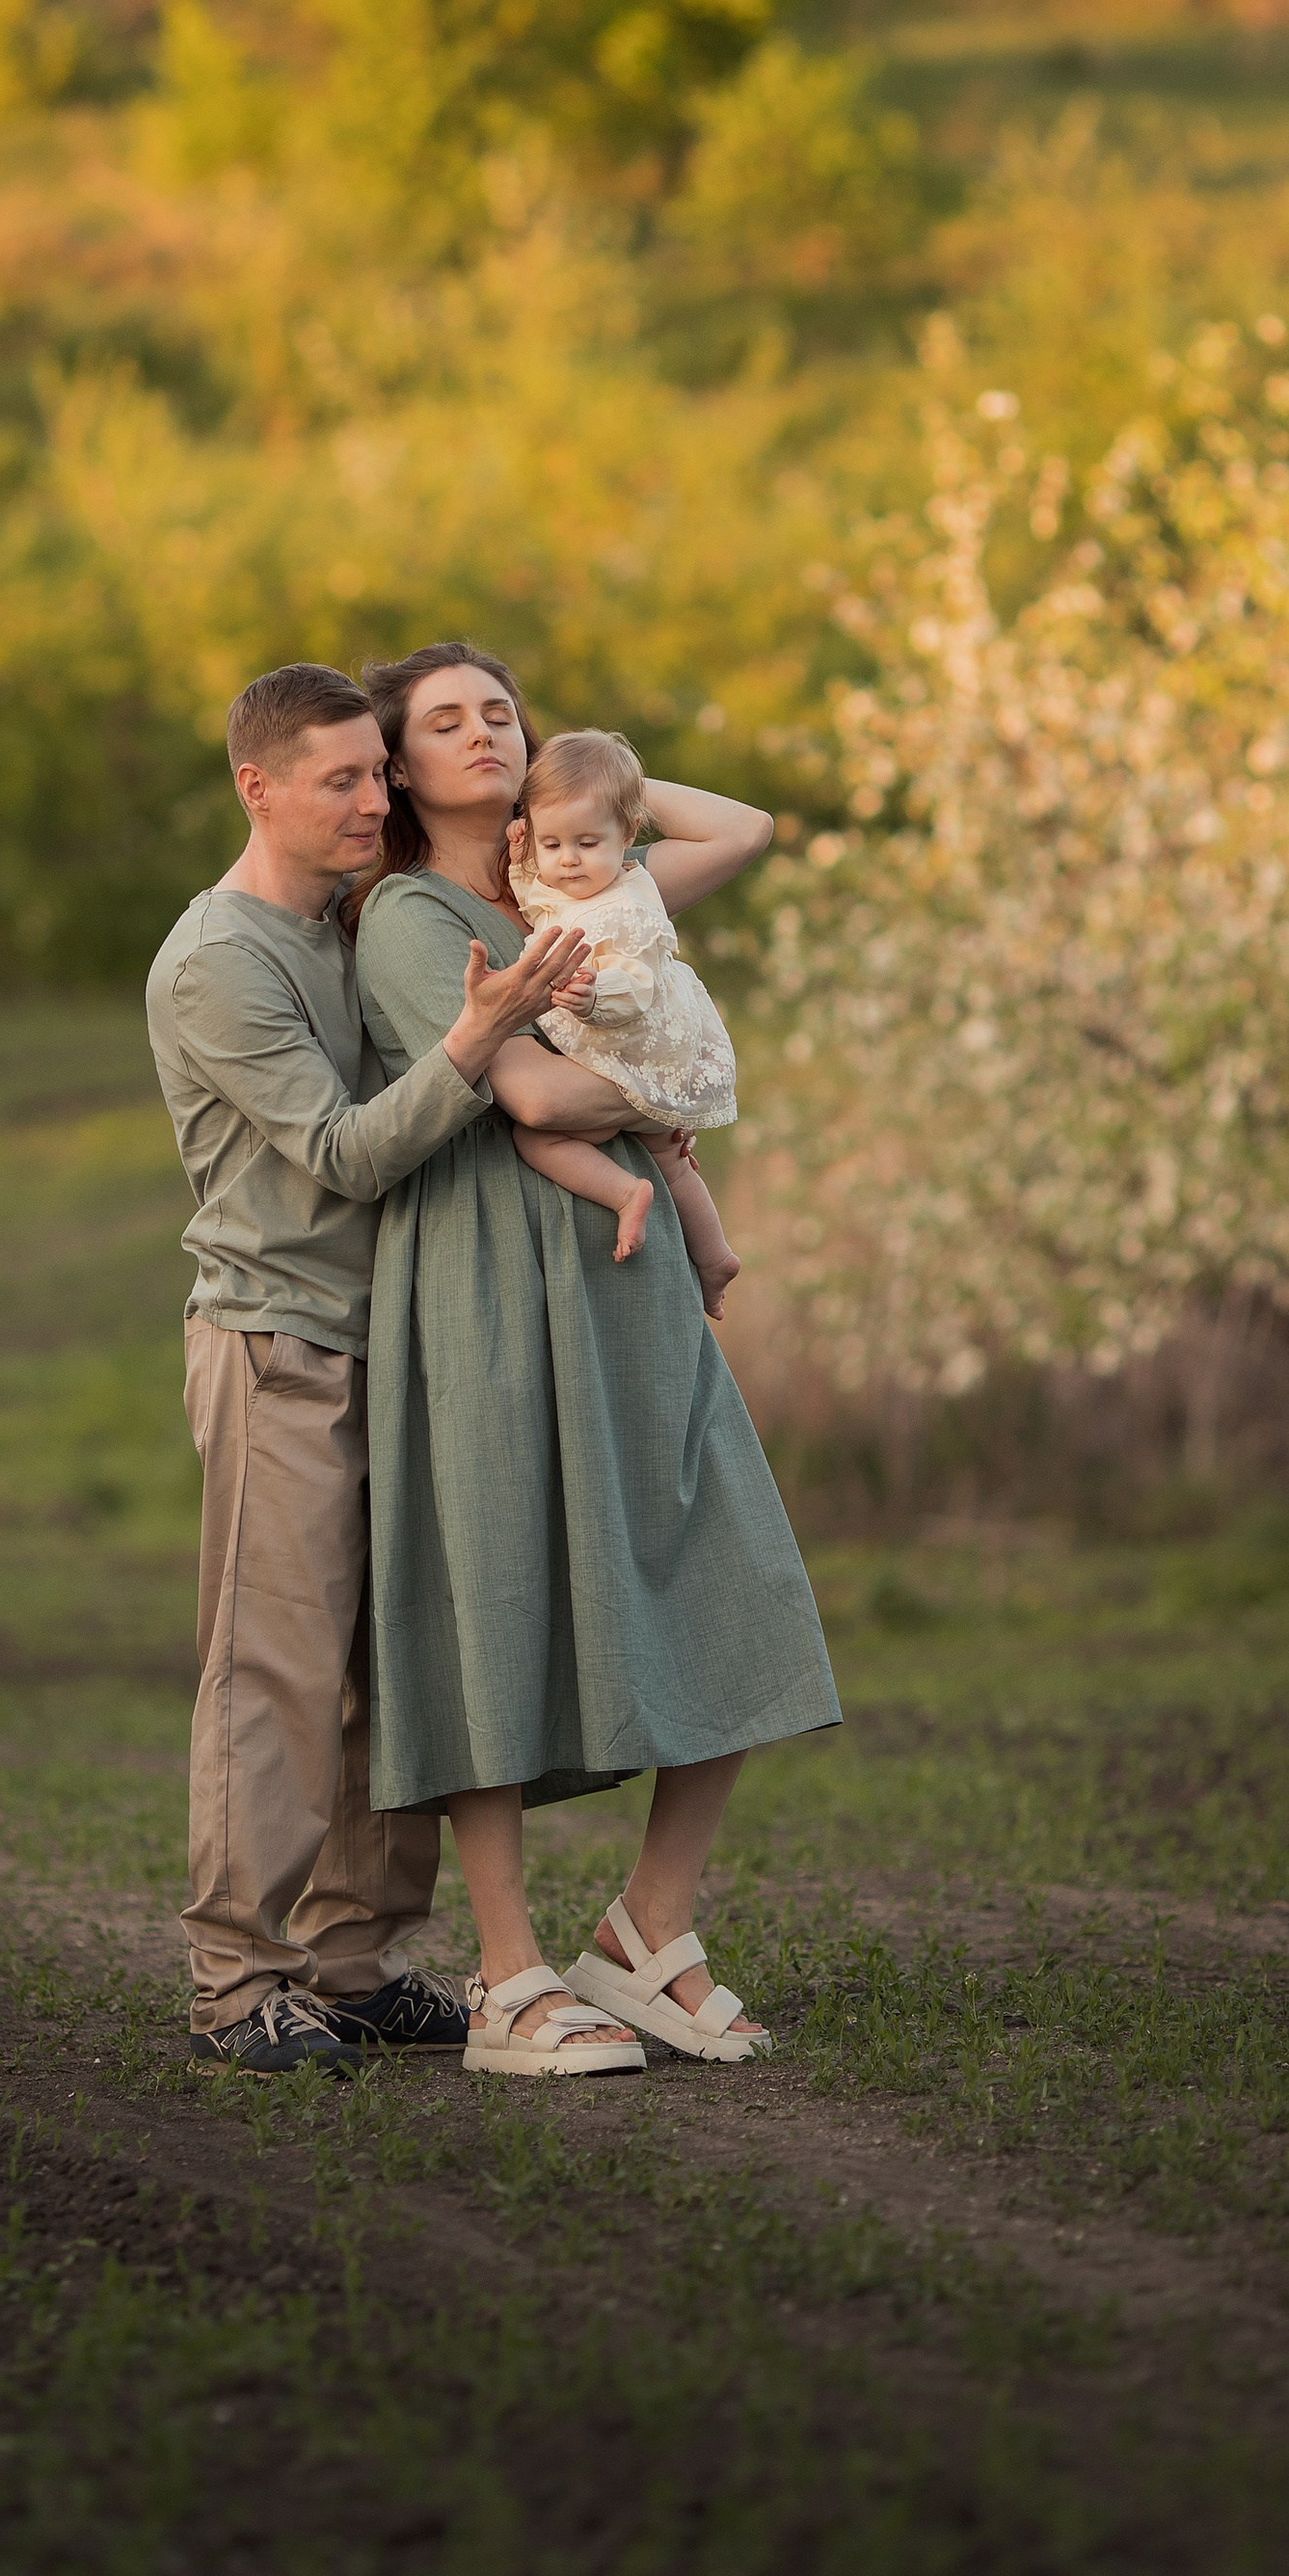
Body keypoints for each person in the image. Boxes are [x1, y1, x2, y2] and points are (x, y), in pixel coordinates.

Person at [353, 642, 842, 2078]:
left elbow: (738, 828)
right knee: (497, 1596)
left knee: (732, 1564)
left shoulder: (576, 881)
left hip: (630, 1281)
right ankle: (508, 1976)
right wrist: (682, 1085)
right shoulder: (404, 916)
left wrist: (596, 789)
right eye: (442, 720)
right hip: (495, 1282)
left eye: (500, 708)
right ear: (401, 766)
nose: (484, 730)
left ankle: (643, 1934)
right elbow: (530, 1091)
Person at [146, 660, 591, 2076]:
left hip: (393, 1339)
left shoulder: (351, 923)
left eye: (373, 771)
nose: (370, 797)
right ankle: (235, 1980)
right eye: (338, 777)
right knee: (272, 1670)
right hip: (279, 1344)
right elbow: (341, 1151)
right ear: (254, 787)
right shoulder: (218, 960)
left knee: (390, 1669)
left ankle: (350, 1959)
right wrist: (481, 1031)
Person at [505, 725, 745, 1316]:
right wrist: (519, 863)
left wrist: (595, 998)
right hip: (620, 1046)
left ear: (628, 834)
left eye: (587, 843)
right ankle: (714, 1257)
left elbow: (635, 987)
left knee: (537, 1138)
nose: (567, 861)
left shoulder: (630, 906)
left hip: (631, 1038)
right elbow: (538, 901)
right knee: (668, 1154)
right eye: (552, 844)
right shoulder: (568, 881)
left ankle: (623, 1192)